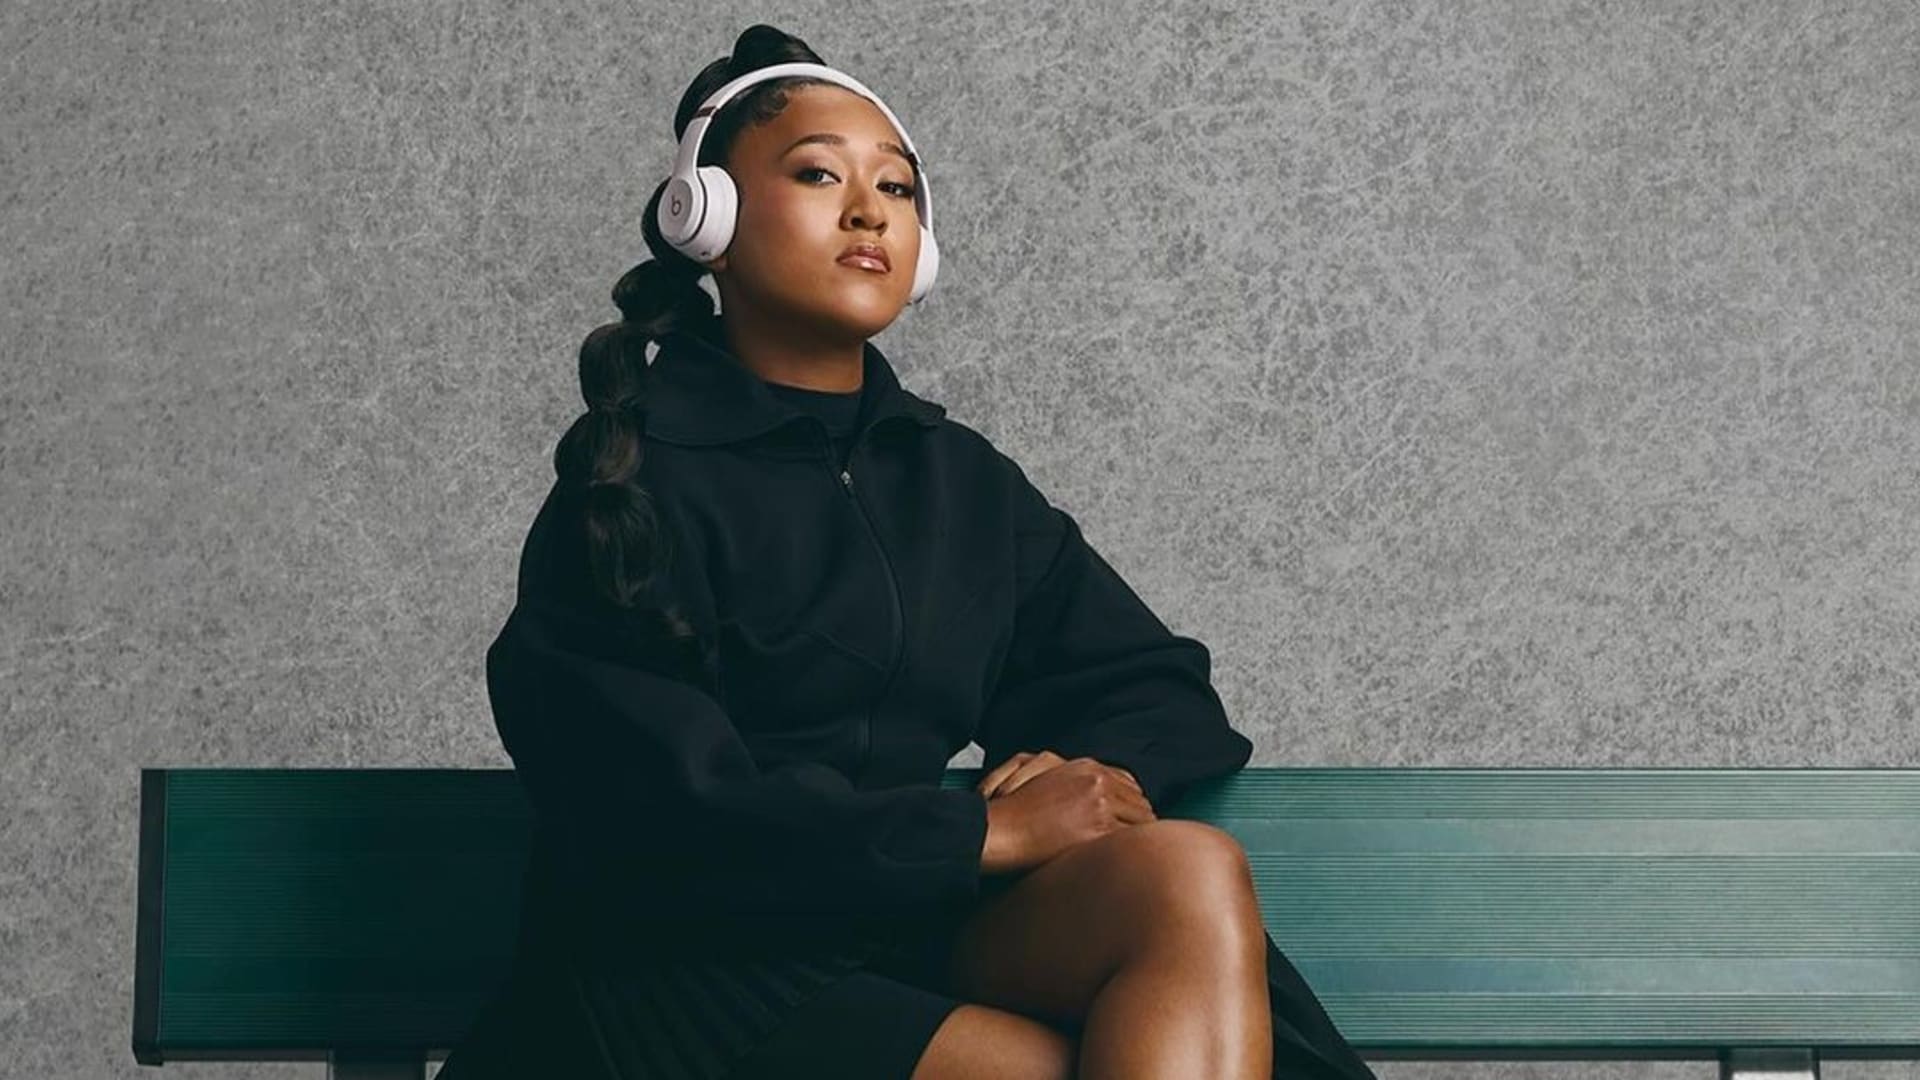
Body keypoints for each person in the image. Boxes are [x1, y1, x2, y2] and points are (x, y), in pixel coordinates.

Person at [436, 23, 1378, 1080]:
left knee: (1186, 873)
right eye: (818, 175)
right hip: (687, 973)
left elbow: (1154, 690)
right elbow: (659, 815)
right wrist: (983, 837)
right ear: (709, 220)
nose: (869, 210)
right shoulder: (631, 483)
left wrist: (1087, 776)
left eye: (896, 187)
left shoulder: (957, 482)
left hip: (898, 926)